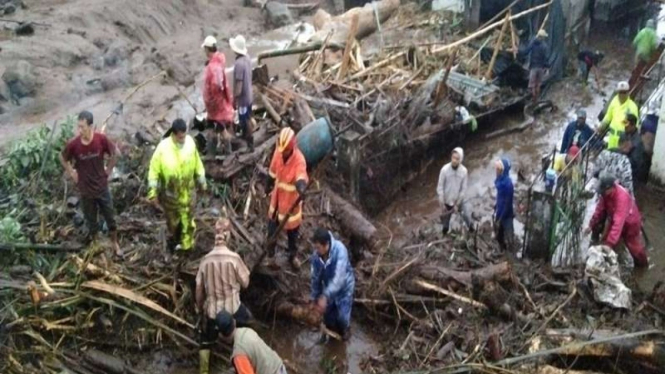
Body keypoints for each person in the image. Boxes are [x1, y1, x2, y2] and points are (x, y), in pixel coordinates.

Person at [60, 111, 121, 257]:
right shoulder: (74, 145)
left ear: (91, 126)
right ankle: (96, 243)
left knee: (110, 217)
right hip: (86, 190)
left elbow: (116, 153)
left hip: (101, 187)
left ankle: (115, 243)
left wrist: (108, 170)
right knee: (91, 220)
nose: (80, 131)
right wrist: (71, 172)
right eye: (78, 127)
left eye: (83, 127)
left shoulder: (100, 140)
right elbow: (62, 157)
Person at [196, 216, 252, 374]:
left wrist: (200, 309)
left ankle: (204, 370)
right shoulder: (234, 258)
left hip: (213, 313)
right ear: (228, 235)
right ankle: (243, 359)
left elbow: (199, 290)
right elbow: (246, 283)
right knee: (248, 323)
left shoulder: (205, 261)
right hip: (233, 309)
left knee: (205, 341)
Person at [147, 119, 206, 252]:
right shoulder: (162, 149)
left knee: (188, 219)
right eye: (180, 137)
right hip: (171, 196)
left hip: (188, 192)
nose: (183, 139)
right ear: (173, 134)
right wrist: (153, 193)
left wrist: (202, 182)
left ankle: (187, 245)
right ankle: (176, 238)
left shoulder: (190, 143)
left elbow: (198, 163)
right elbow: (153, 171)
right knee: (173, 222)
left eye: (185, 136)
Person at [266, 127, 308, 268]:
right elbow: (272, 170)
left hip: (291, 204)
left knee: (292, 233)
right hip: (277, 200)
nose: (282, 153)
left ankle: (292, 256)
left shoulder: (299, 160)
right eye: (282, 150)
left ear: (291, 148)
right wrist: (268, 184)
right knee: (272, 228)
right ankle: (270, 254)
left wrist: (301, 188)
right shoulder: (279, 152)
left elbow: (301, 176)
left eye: (285, 151)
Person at [585, 173, 648, 268]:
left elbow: (618, 223)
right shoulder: (606, 195)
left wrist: (609, 244)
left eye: (603, 190)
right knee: (606, 242)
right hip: (614, 217)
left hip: (630, 224)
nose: (601, 193)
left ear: (610, 188)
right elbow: (599, 210)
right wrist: (591, 225)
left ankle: (643, 265)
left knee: (634, 247)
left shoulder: (621, 197)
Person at [310, 228, 355, 341]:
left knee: (342, 319)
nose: (316, 250)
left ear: (326, 245)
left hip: (344, 288)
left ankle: (345, 331)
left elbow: (339, 278)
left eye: (318, 247)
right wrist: (315, 298)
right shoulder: (316, 256)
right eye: (315, 247)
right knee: (328, 318)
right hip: (328, 289)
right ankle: (330, 334)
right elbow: (315, 278)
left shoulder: (340, 251)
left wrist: (325, 296)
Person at [215, 310, 287, 374]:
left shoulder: (239, 353)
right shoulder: (247, 331)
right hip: (279, 367)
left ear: (221, 335)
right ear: (234, 321)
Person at [202, 35, 234, 154]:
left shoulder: (214, 67)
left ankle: (225, 153)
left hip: (216, 107)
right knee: (216, 129)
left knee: (221, 130)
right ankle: (215, 153)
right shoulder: (217, 63)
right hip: (216, 107)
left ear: (207, 49)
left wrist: (212, 104)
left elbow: (216, 86)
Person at [436, 147, 475, 235]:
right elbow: (440, 187)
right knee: (445, 224)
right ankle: (444, 234)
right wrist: (442, 203)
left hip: (459, 200)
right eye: (453, 157)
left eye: (457, 159)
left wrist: (457, 204)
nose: (454, 160)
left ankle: (472, 230)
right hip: (447, 201)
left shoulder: (464, 171)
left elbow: (463, 189)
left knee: (466, 215)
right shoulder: (444, 170)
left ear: (460, 160)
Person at [230, 34, 255, 152]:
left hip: (243, 98)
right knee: (248, 116)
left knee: (244, 119)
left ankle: (250, 142)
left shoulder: (238, 64)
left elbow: (238, 85)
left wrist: (235, 98)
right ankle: (247, 137)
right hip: (249, 94)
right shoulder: (248, 58)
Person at [598, 81, 639, 149]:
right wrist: (602, 125)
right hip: (612, 137)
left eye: (624, 92)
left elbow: (635, 125)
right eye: (620, 92)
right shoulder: (614, 101)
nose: (622, 95)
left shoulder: (632, 106)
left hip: (624, 139)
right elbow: (608, 116)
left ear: (627, 93)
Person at [494, 158, 514, 252]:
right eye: (496, 169)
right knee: (499, 233)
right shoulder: (499, 179)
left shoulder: (508, 184)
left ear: (503, 170)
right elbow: (499, 195)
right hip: (500, 209)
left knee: (509, 235)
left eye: (498, 169)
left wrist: (501, 218)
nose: (496, 171)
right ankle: (501, 246)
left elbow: (507, 204)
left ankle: (510, 252)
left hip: (506, 214)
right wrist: (496, 205)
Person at [525, 29, 550, 103]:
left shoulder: (533, 43)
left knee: (532, 85)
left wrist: (518, 52)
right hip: (540, 68)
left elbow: (526, 51)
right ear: (542, 37)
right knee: (538, 84)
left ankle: (533, 100)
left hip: (533, 67)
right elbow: (546, 58)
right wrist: (547, 67)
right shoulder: (544, 46)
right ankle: (537, 100)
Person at [623, 113, 647, 183]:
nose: (625, 126)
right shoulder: (624, 135)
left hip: (632, 173)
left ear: (633, 125)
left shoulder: (638, 142)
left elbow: (636, 163)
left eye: (627, 125)